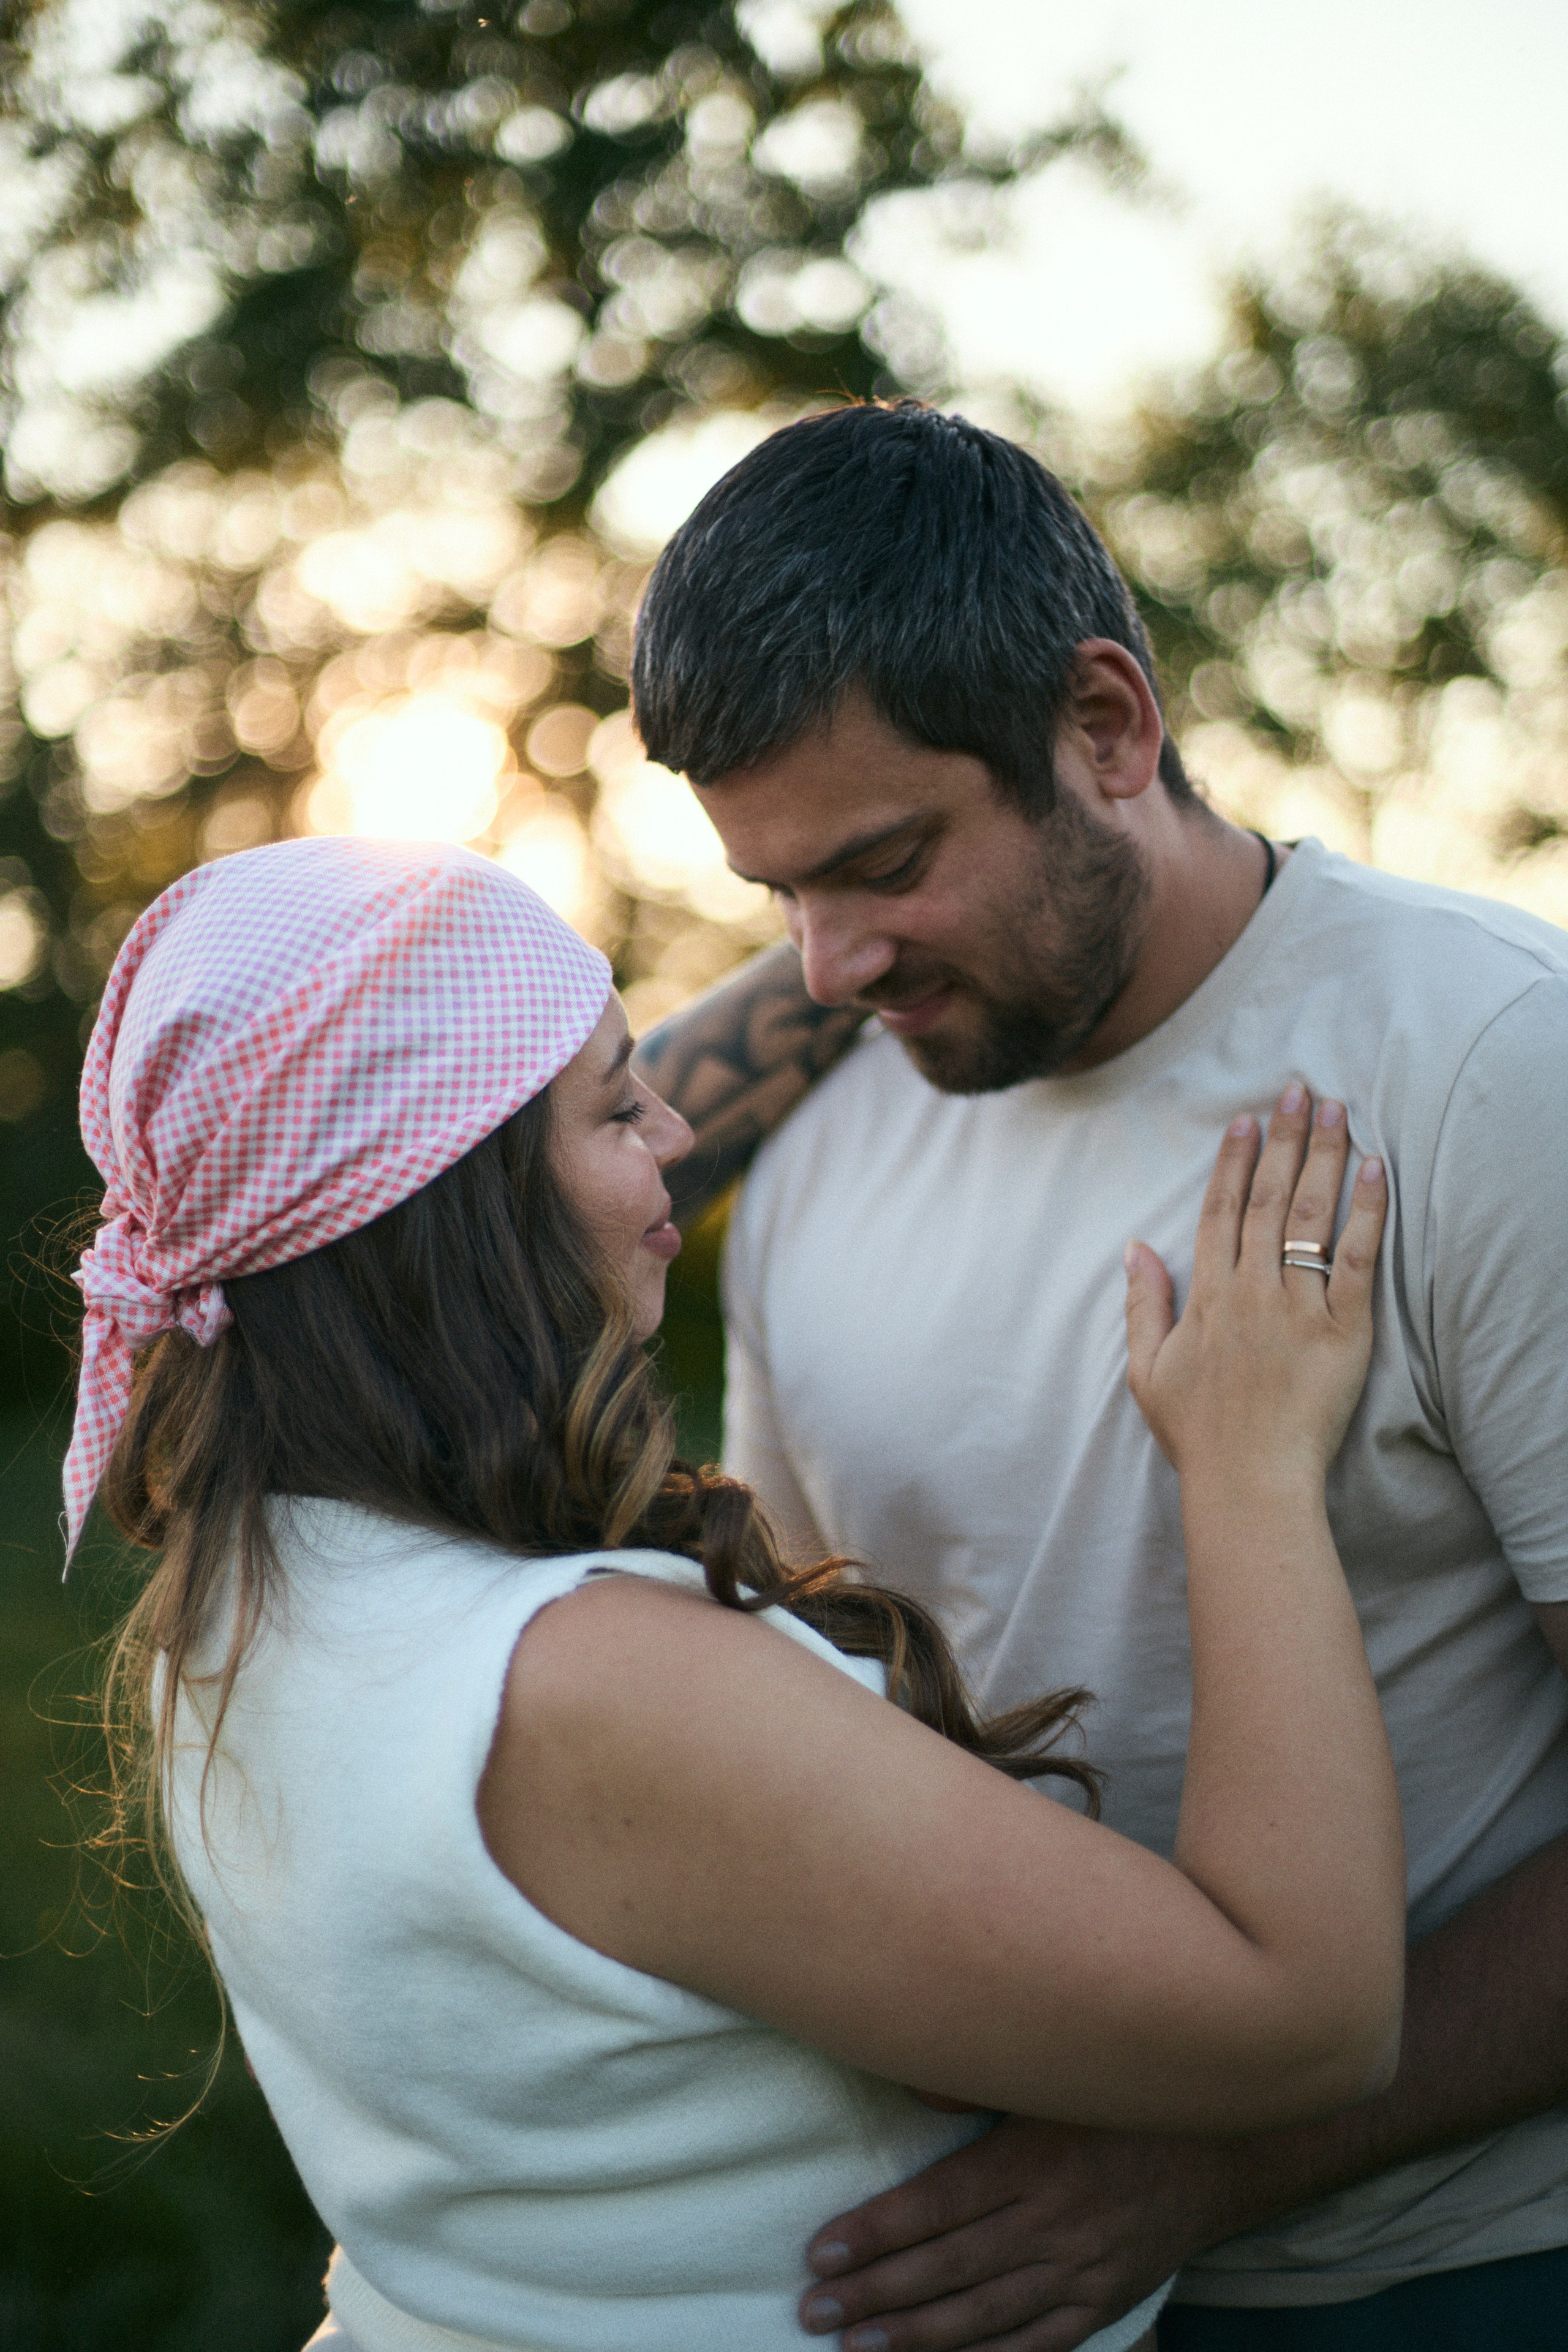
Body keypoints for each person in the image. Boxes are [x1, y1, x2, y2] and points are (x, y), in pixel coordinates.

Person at [72, 835, 1401, 2352]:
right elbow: (1303, 2017)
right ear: (469, 1213)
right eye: (615, 1101)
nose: (678, 1125)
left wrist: (933, 899)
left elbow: (388, 1116)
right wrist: (1245, 1460)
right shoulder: (596, 1690)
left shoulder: (246, 1593)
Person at [628, 399, 1568, 2351]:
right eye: (777, 896)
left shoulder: (1489, 1067)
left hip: (1453, 2270)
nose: (825, 968)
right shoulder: (814, 1136)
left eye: (885, 859)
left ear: (1110, 727)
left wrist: (1199, 2167)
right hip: (997, 2285)